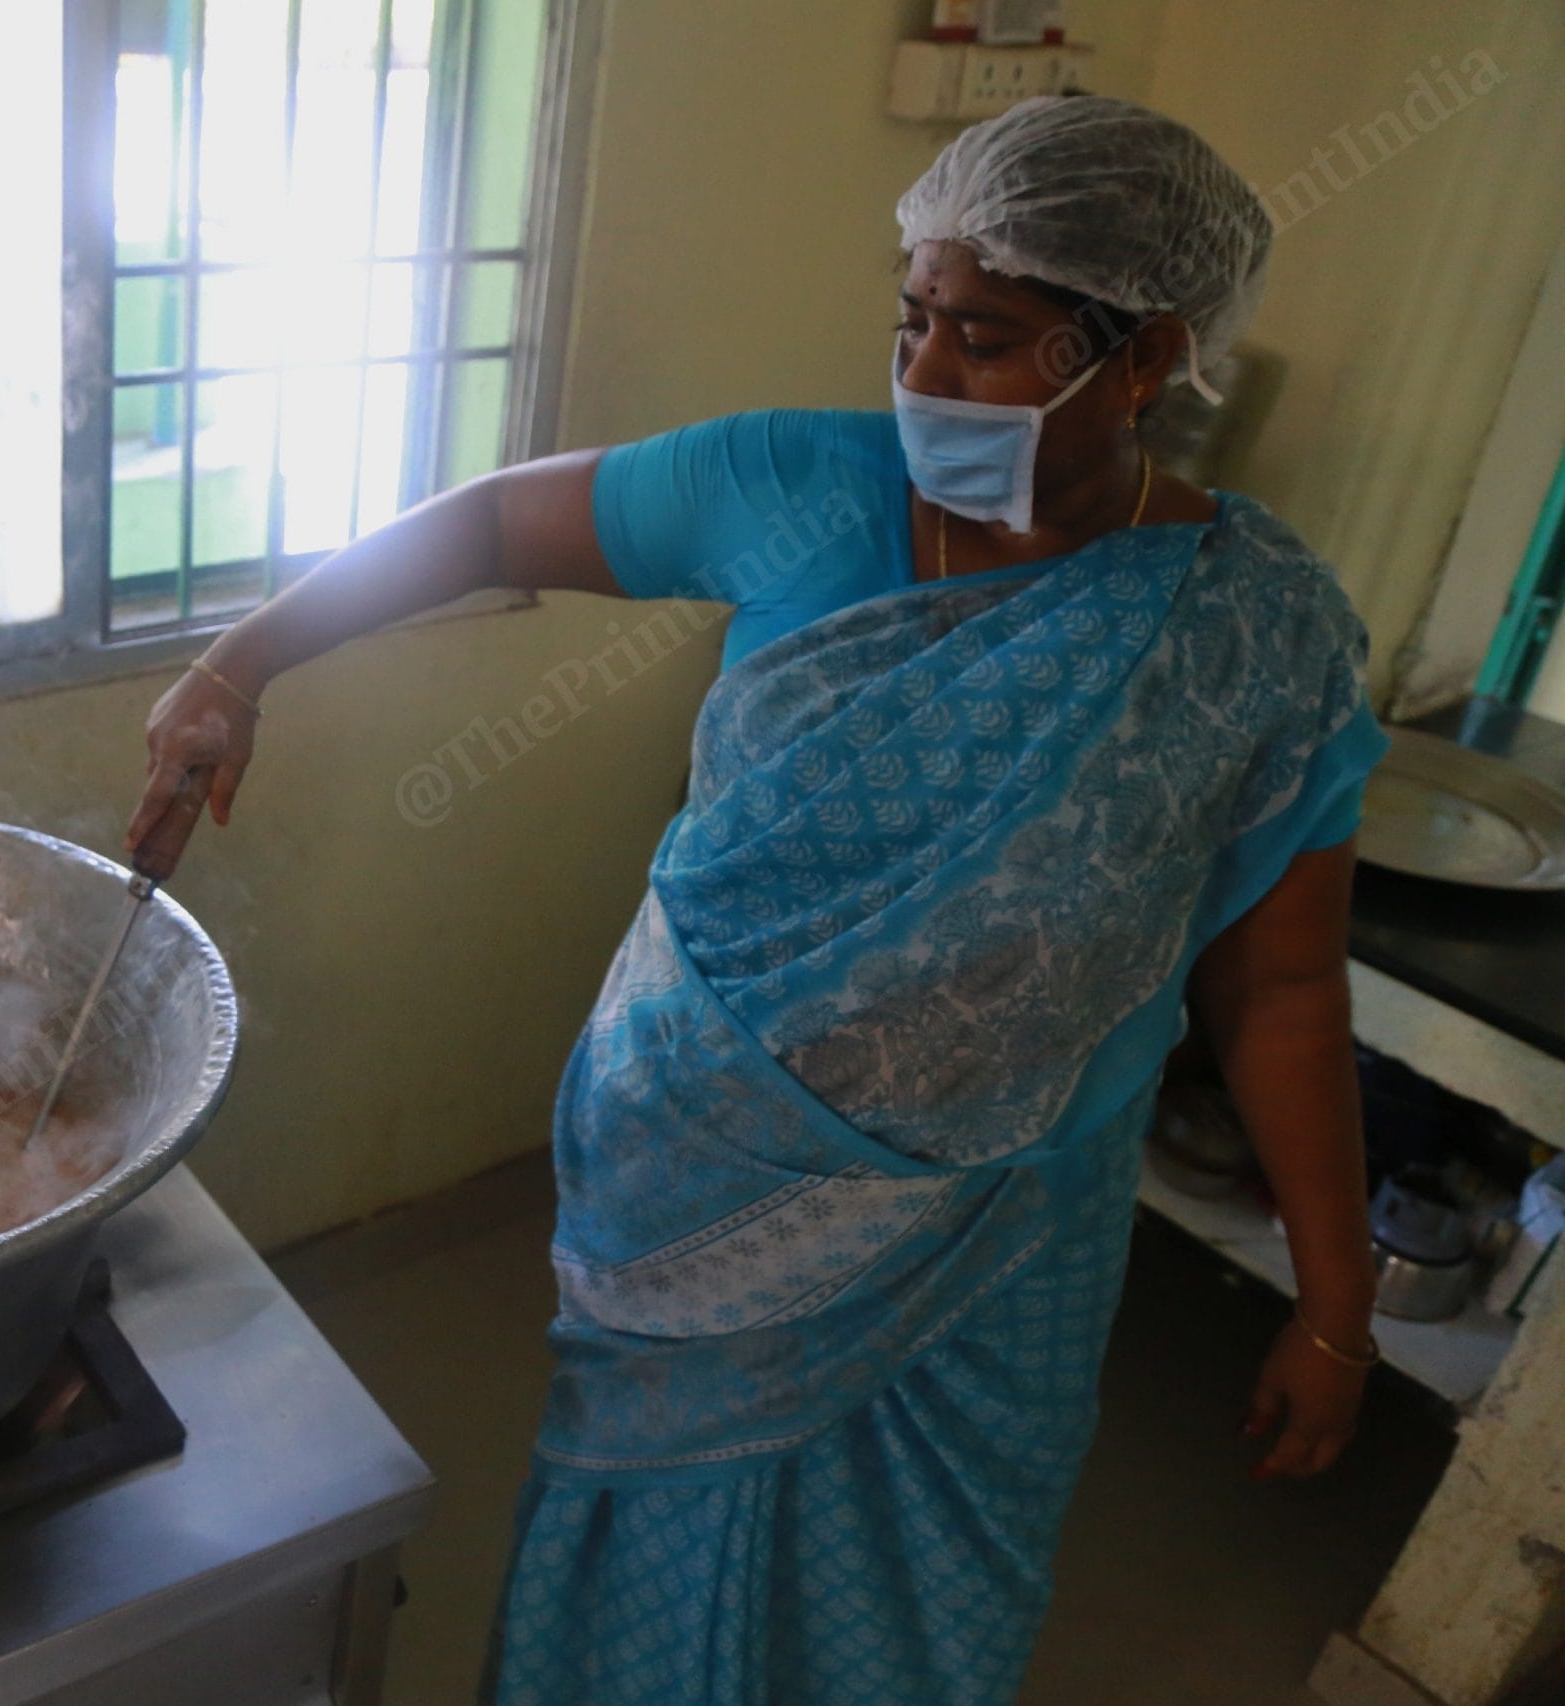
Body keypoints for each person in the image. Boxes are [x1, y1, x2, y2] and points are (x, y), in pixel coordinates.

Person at [124, 95, 1387, 1705]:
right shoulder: (801, 478)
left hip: (995, 1248)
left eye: (988, 339)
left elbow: (1279, 993)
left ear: (1146, 358)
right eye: (912, 320)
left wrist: (1338, 1305)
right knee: (641, 1553)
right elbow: (494, 521)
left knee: (922, 1605)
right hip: (695, 1178)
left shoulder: (1254, 634)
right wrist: (241, 661)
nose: (924, 376)